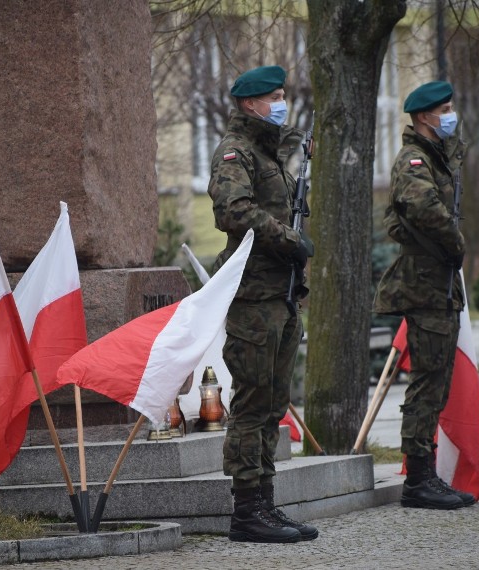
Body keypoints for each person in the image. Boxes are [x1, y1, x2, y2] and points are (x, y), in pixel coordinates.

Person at [207, 65, 317, 543]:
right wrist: (287, 238)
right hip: (254, 297)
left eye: (282, 95)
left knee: (273, 403)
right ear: (250, 103)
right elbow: (232, 211)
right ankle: (247, 510)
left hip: (281, 295)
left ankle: (266, 505)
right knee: (253, 403)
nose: (281, 102)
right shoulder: (237, 152)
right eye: (274, 96)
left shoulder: (270, 153)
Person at [373, 80, 475, 510]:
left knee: (436, 381)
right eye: (445, 110)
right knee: (426, 383)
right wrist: (456, 242)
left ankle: (426, 474)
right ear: (424, 117)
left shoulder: (437, 157)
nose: (451, 115)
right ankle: (418, 479)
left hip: (439, 282)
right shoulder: (414, 160)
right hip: (424, 283)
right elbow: (422, 209)